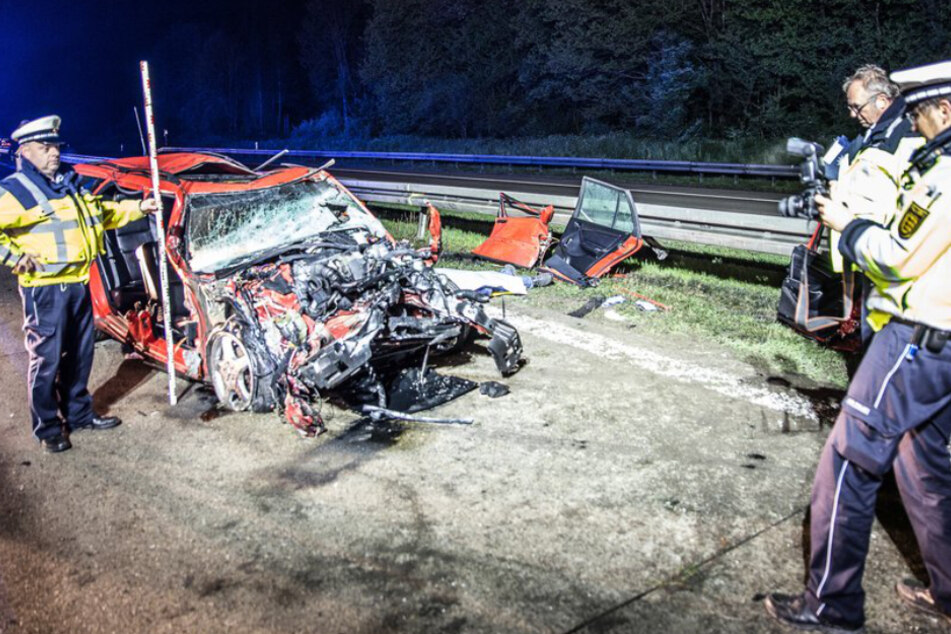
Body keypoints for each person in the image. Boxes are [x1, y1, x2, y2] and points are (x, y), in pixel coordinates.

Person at [764, 60, 951, 632]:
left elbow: (897, 256)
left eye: (918, 113)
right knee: (927, 469)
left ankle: (831, 603)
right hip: (943, 345)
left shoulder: (945, 174)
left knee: (847, 460)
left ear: (945, 109)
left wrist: (845, 224)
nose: (913, 124)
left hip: (918, 335)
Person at [0, 115, 158, 453]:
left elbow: (102, 212)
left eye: (56, 146)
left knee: (80, 356)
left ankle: (80, 414)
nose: (54, 153)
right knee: (47, 361)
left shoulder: (67, 183)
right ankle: (47, 428)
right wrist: (15, 258)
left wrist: (140, 207)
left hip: (77, 283)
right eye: (46, 148)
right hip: (44, 290)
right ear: (26, 151)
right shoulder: (15, 190)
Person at [830, 65, 922, 348]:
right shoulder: (875, 133)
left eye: (857, 107)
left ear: (881, 100)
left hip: (889, 255)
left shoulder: (905, 135)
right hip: (868, 250)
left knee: (887, 340)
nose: (853, 115)